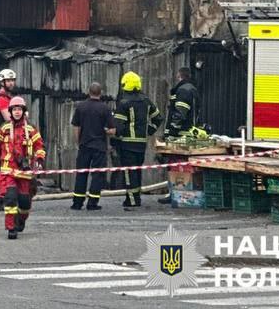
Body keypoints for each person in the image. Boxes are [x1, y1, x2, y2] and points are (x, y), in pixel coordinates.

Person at [0, 95, 46, 239]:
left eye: (19, 109)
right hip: (9, 171)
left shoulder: (30, 129)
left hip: (25, 173)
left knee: (24, 203)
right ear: (10, 111)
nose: (17, 112)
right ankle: (11, 228)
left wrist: (40, 159)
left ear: (24, 111)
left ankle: (21, 220)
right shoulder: (4, 128)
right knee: (10, 199)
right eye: (14, 109)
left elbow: (39, 146)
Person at [112, 72, 161, 209]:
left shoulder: (124, 103)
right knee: (137, 170)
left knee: (129, 171)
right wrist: (149, 130)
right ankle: (135, 196)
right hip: (141, 143)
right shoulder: (146, 101)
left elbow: (119, 126)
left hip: (127, 143)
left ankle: (132, 200)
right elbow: (158, 118)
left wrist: (113, 133)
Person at [70, 82, 115, 211]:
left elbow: (76, 128)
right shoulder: (105, 108)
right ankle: (92, 203)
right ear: (101, 93)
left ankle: (77, 202)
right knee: (97, 175)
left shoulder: (80, 107)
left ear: (88, 92)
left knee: (81, 173)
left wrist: (78, 142)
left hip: (84, 145)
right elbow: (112, 130)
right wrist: (105, 131)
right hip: (99, 147)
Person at [159, 68, 201, 204]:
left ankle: (175, 194)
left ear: (179, 76)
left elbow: (180, 113)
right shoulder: (192, 89)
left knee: (176, 165)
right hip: (190, 132)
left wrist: (172, 131)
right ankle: (177, 193)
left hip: (181, 135)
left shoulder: (183, 90)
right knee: (183, 166)